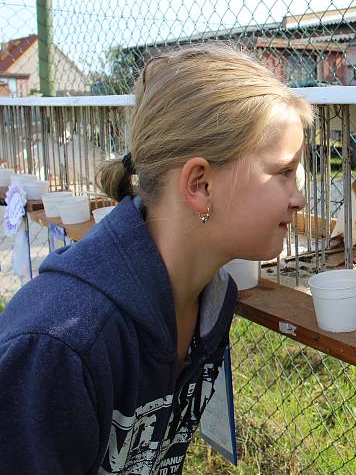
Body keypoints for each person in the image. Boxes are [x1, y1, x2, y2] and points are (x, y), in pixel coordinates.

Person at [0, 45, 313, 474]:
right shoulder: (59, 349)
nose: (299, 198)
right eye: (283, 173)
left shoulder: (211, 300)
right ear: (201, 185)